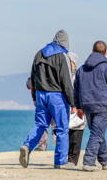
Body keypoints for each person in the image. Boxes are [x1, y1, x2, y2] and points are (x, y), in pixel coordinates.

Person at [20, 30, 76, 169]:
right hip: (57, 96)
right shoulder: (62, 56)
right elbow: (66, 81)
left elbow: (33, 77)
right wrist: (73, 102)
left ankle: (27, 146)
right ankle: (60, 161)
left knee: (40, 125)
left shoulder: (39, 54)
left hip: (40, 94)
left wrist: (34, 97)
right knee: (62, 129)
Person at [74, 41, 107, 172]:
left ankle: (104, 159)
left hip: (86, 104)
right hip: (102, 105)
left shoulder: (81, 69)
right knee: (97, 133)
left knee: (97, 132)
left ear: (92, 51)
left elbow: (76, 89)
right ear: (105, 53)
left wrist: (78, 106)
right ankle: (88, 161)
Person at [66, 52, 86, 166]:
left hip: (78, 108)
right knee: (65, 135)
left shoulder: (80, 74)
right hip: (67, 108)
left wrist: (79, 106)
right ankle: (65, 158)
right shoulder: (62, 74)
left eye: (71, 62)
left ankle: (72, 160)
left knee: (76, 136)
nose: (70, 64)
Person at [26, 77, 48, 151]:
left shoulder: (36, 71)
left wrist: (34, 99)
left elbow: (29, 86)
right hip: (53, 99)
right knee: (56, 126)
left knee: (41, 125)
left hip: (41, 101)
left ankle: (41, 146)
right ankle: (60, 147)